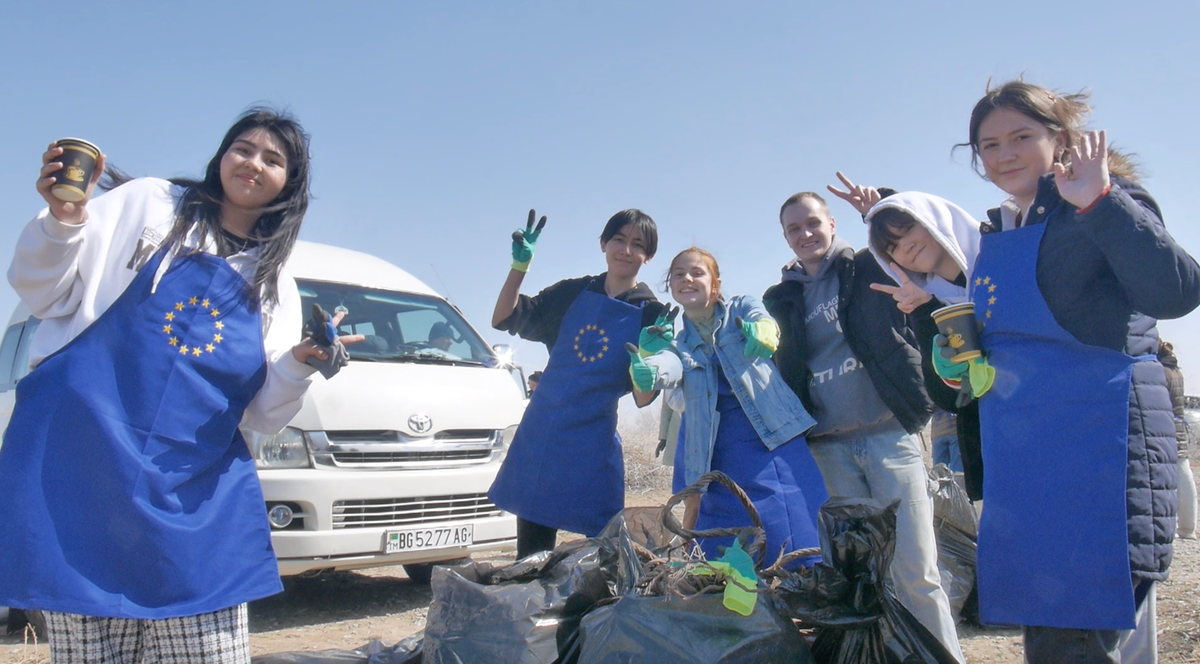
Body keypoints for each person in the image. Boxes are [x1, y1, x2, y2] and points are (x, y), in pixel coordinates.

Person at [0, 109, 360, 661]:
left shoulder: (275, 283)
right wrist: (64, 220)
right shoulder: (149, 204)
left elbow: (261, 415)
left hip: (193, 496)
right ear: (221, 156)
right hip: (81, 474)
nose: (253, 163)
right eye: (243, 149)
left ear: (291, 184)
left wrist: (299, 362)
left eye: (273, 159)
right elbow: (45, 293)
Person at [940, 80, 1200, 663]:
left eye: (1021, 137)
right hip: (1030, 470)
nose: (1003, 154)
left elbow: (1176, 291)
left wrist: (1101, 202)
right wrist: (961, 356)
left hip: (1099, 461)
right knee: (1057, 643)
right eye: (988, 144)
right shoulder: (1004, 227)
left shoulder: (1106, 197)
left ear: (1060, 138)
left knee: (1072, 645)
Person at [763, 191, 964, 661]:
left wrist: (879, 207)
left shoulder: (870, 266)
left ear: (832, 224)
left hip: (890, 434)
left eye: (812, 223)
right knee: (864, 577)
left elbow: (913, 244)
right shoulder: (782, 298)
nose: (805, 234)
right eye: (794, 228)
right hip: (829, 450)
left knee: (916, 571)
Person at [489, 209, 668, 559]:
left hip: (593, 443)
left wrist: (647, 359)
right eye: (619, 239)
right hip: (542, 434)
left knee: (603, 555)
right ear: (603, 243)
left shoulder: (652, 313)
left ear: (648, 256)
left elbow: (645, 398)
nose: (626, 250)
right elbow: (504, 317)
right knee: (531, 557)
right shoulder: (571, 292)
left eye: (637, 244)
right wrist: (519, 268)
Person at [630, 248, 827, 565]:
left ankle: (801, 598)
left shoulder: (741, 307)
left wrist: (765, 333)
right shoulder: (678, 343)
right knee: (720, 539)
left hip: (770, 436)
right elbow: (670, 364)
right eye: (678, 274)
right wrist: (650, 367)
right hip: (713, 447)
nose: (687, 278)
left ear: (715, 283)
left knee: (792, 528)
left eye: (696, 272)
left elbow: (762, 320)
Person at [830, 179, 988, 501]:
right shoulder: (926, 303)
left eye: (908, 230)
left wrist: (878, 207)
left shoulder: (998, 257)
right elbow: (946, 399)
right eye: (894, 247)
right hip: (991, 453)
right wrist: (946, 367)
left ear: (932, 218)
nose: (907, 246)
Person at [1159, 341, 1197, 541]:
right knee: (1184, 474)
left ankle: (1174, 526)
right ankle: (1188, 528)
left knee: (1166, 479)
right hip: (1179, 425)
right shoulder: (1176, 372)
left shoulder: (1160, 372)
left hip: (1164, 426)